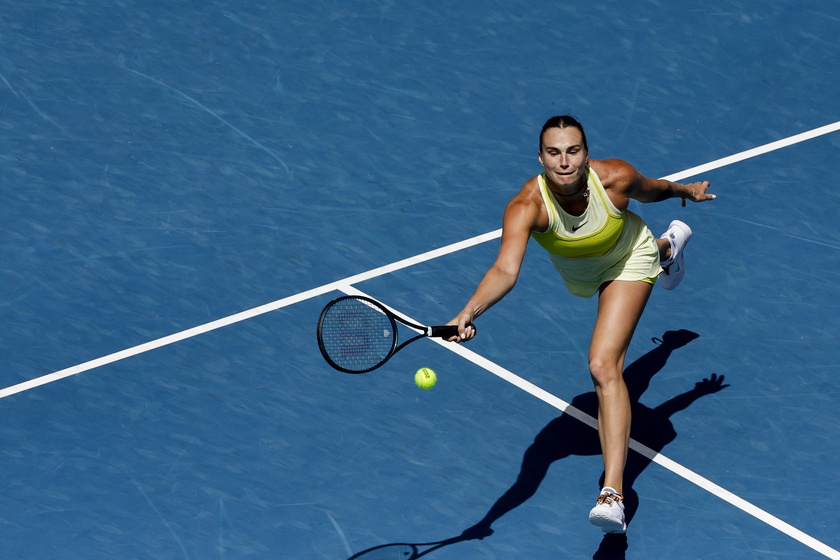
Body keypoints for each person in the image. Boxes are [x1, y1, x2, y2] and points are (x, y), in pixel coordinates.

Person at [447, 115, 715, 534]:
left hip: (627, 258)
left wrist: (688, 192)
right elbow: (505, 269)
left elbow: (657, 189)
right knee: (628, 368)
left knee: (603, 365)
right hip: (583, 275)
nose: (564, 162)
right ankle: (669, 248)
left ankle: (612, 494)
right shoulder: (527, 206)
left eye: (573, 151)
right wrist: (468, 312)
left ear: (586, 154)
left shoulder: (615, 179)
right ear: (540, 158)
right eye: (554, 153)